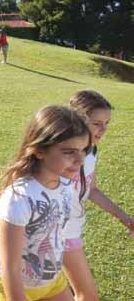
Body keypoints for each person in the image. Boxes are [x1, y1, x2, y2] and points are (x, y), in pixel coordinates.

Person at [0, 105, 91, 301]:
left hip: (51, 283)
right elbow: (11, 268)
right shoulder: (20, 197)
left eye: (84, 150)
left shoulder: (66, 186)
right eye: (69, 152)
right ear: (39, 150)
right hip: (11, 287)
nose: (80, 159)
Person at [62, 90, 134, 301]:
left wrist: (124, 217)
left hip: (72, 231)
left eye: (107, 123)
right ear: (77, 120)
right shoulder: (59, 154)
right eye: (97, 123)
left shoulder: (92, 152)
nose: (103, 129)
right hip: (54, 234)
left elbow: (91, 190)